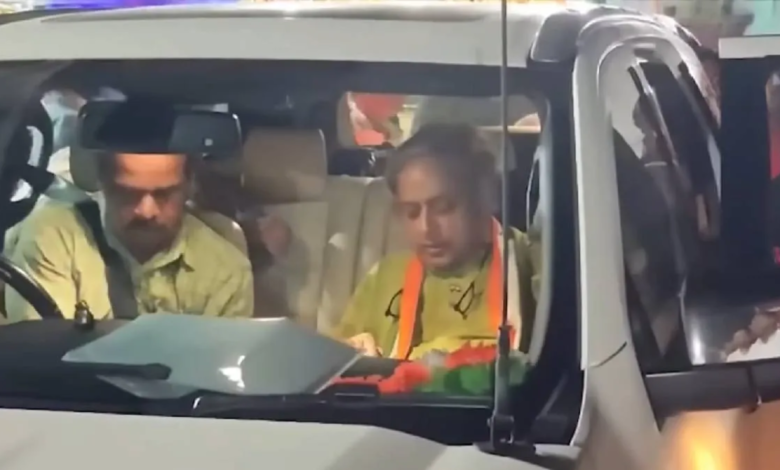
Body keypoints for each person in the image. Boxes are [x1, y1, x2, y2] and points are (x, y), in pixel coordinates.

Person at [329, 123, 540, 360]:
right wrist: (352, 354)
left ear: (486, 197)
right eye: (411, 212)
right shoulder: (386, 276)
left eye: (443, 208)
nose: (426, 228)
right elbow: (335, 359)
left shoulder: (529, 261)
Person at [5, 151, 254, 321]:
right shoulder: (53, 237)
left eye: (164, 194)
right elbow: (41, 355)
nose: (146, 211)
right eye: (127, 193)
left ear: (190, 186)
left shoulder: (225, 270)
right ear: (102, 183)